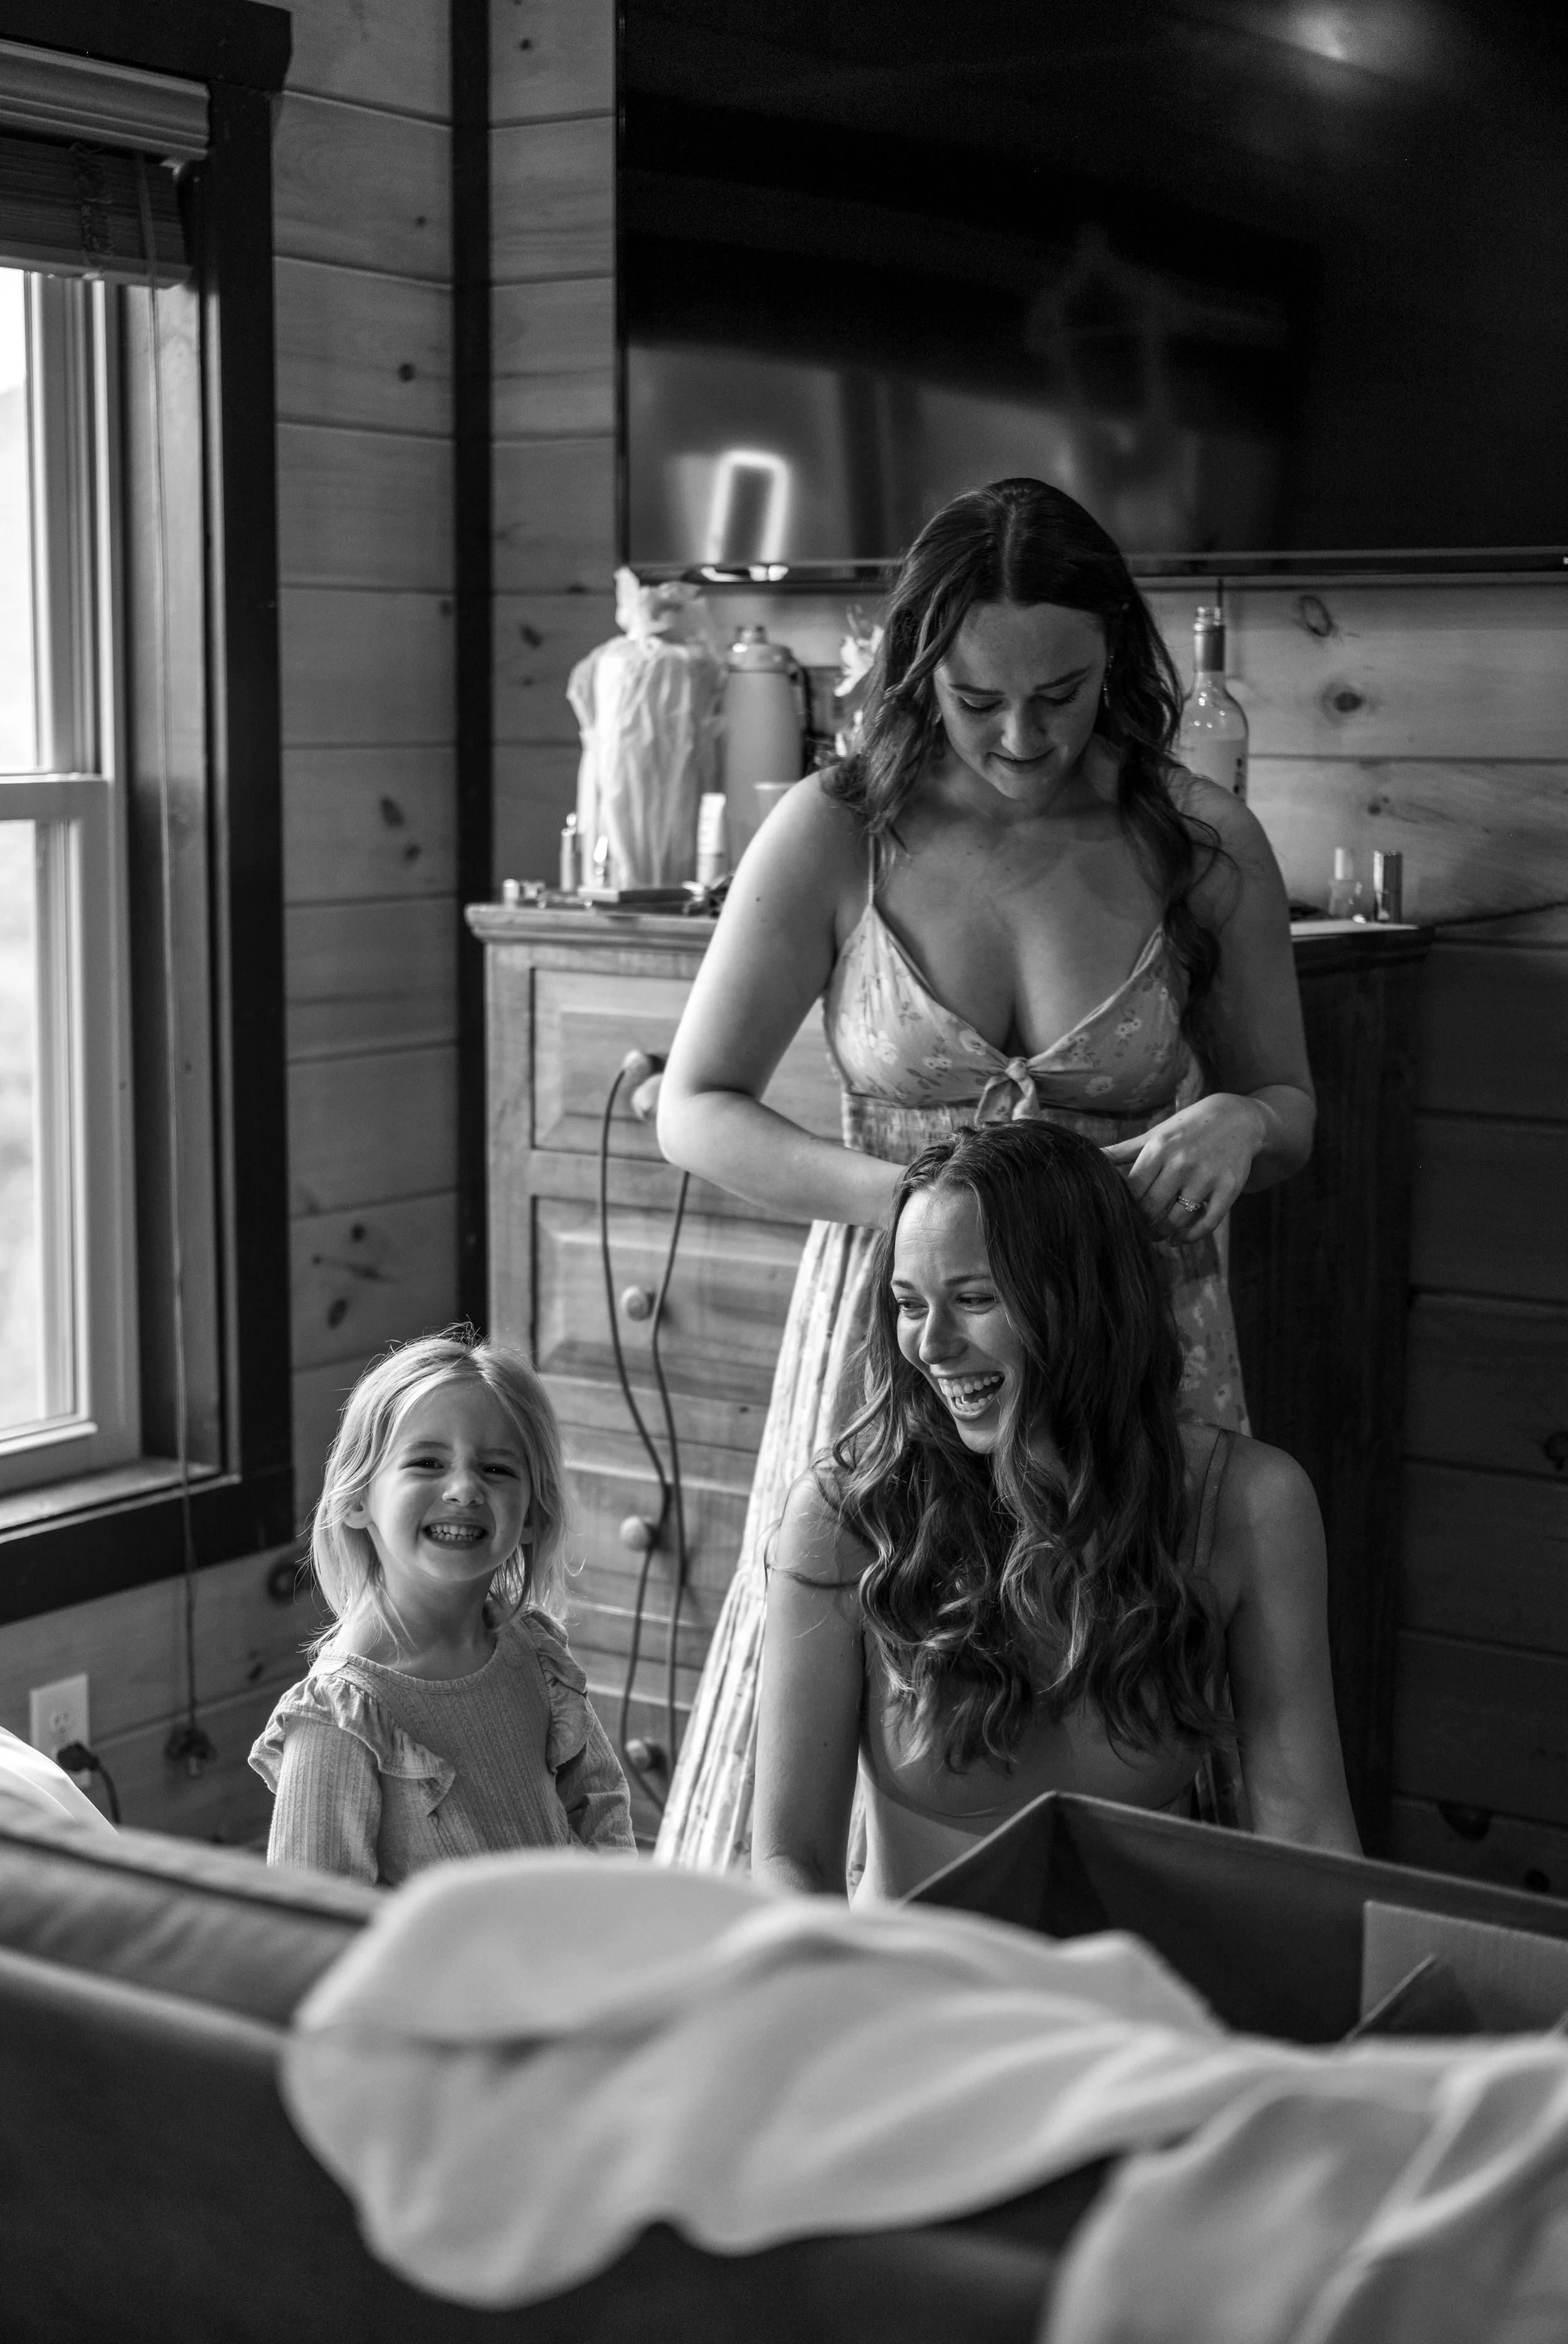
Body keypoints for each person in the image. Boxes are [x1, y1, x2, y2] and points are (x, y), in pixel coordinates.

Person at [655, 475, 1314, 1870]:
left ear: (1117, 664)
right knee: (889, 1693)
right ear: (916, 673)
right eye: (976, 701)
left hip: (1129, 1329)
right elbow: (694, 1109)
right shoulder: (837, 830)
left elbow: (1291, 1106)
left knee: (1137, 1684)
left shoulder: (1197, 843)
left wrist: (1243, 1124)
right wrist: (909, 1209)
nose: (1022, 737)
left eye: (1060, 696)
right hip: (910, 1325)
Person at [753, 1122, 1359, 1899]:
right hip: (914, 1969)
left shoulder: (1248, 1503)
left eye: (974, 1299)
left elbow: (1309, 1834)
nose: (930, 1346)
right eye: (908, 1305)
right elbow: (791, 1858)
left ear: (1084, 1299)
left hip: (1134, 1972)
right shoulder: (845, 1513)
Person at [251, 1333, 634, 1884]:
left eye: (497, 1470)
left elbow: (600, 1807)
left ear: (531, 1516)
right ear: (357, 1499)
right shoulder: (340, 1720)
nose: (464, 1490)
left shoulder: (534, 1653)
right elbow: (314, 1915)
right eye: (428, 1462)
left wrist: (613, 1916)